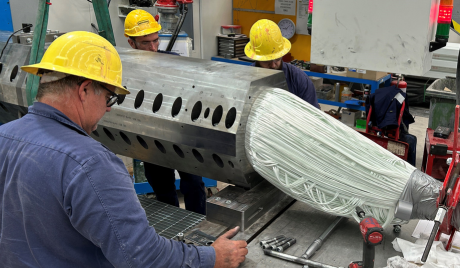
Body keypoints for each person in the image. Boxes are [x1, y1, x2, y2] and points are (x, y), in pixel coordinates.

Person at [0, 31, 247, 268]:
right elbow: (143, 257)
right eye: (109, 97)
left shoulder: (4, 137)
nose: (108, 108)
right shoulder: (90, 163)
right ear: (84, 90)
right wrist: (212, 258)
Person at [125, 9, 207, 214]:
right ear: (131, 43)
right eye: (146, 43)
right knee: (163, 191)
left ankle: (198, 229)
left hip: (180, 135)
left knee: (194, 184)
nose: (153, 47)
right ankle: (173, 238)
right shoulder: (125, 70)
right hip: (151, 139)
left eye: (155, 41)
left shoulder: (172, 62)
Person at [245, 19, 320, 108]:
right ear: (256, 58)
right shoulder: (246, 80)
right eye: (266, 61)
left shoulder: (299, 80)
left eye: (277, 59)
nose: (273, 65)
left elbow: (313, 115)